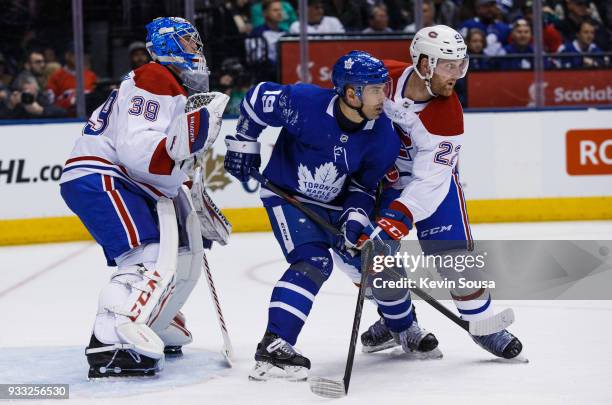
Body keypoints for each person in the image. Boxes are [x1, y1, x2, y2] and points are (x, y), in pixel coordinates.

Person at [59, 17, 230, 378]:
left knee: (185, 255)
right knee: (146, 256)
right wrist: (180, 167)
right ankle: (112, 339)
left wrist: (190, 198)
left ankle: (154, 315)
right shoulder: (154, 77)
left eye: (195, 42)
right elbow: (138, 152)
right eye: (186, 42)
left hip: (121, 178)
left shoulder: (172, 86)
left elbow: (161, 160)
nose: (195, 49)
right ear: (166, 47)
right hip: (102, 175)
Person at [223, 51, 410, 380]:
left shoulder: (383, 136)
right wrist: (244, 142)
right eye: (376, 90)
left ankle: (402, 327)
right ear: (351, 93)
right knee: (314, 262)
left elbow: (364, 188)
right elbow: (255, 100)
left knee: (377, 261)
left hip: (337, 205)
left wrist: (353, 222)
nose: (385, 97)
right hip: (288, 196)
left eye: (385, 88)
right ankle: (275, 343)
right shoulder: (303, 102)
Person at [356, 25, 523, 360]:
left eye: (461, 65)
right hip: (382, 182)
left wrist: (396, 221)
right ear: (424, 63)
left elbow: (429, 183)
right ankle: (397, 322)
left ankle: (484, 325)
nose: (457, 75)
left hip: (433, 185)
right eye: (449, 65)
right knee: (372, 258)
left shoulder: (448, 115)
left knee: (453, 258)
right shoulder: (383, 77)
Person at [45, 44, 98, 116]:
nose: (79, 58)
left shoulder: (91, 75)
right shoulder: (56, 77)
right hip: (65, 120)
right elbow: (50, 103)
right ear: (67, 55)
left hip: (88, 118)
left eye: (81, 55)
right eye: (75, 54)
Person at [1, 73, 66, 119]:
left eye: (29, 88)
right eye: (23, 89)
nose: (27, 92)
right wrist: (11, 106)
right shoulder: (18, 102)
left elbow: (62, 112)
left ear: (36, 88)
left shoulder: (42, 99)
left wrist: (41, 111)